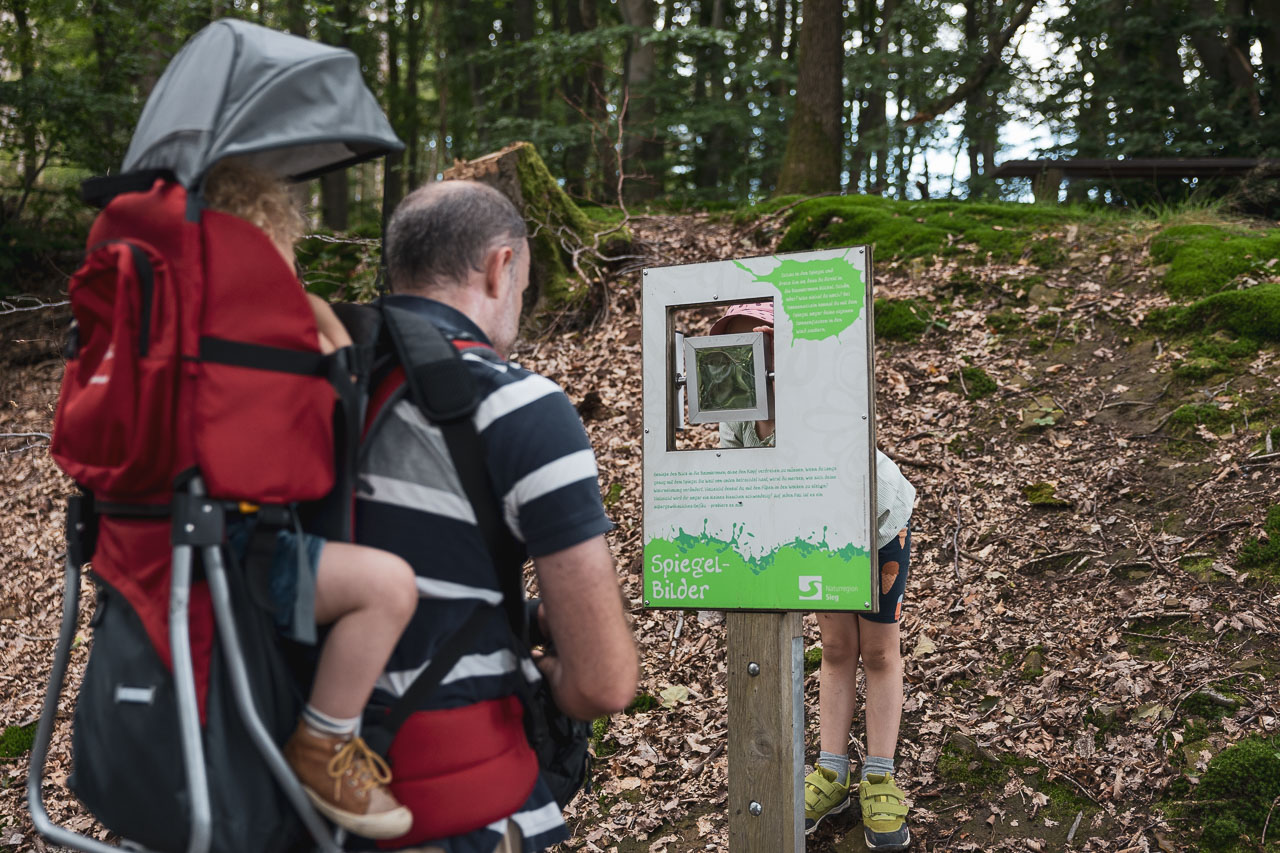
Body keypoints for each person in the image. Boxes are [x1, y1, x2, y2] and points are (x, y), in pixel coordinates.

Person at [357, 179, 639, 853]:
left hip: (299, 796)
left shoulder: (319, 390)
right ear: (500, 266)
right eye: (523, 286)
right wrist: (554, 680)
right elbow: (605, 679)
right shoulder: (519, 406)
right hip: (453, 808)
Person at [202, 159, 418, 839]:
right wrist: (310, 300)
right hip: (235, 557)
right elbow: (337, 359)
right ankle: (323, 742)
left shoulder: (172, 315)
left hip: (158, 554)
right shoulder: (256, 316)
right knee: (386, 586)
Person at [711, 301, 917, 851]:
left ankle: (878, 774)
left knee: (877, 649)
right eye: (738, 342)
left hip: (874, 524)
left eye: (764, 338)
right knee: (834, 647)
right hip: (813, 532)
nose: (754, 351)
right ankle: (831, 772)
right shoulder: (735, 412)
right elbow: (736, 482)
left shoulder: (817, 398)